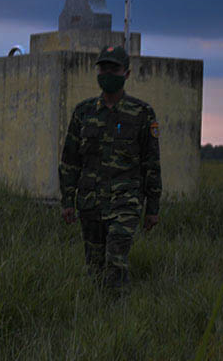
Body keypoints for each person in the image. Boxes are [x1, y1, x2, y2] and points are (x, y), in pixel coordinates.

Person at [59, 45, 161, 291]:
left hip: (125, 202)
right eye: (103, 68)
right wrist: (67, 201)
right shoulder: (83, 113)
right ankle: (96, 309)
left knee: (116, 259)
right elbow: (70, 161)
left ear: (126, 73)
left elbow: (151, 163)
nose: (107, 74)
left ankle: (118, 307)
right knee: (94, 265)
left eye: (113, 69)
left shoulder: (142, 113)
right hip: (90, 202)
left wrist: (152, 208)